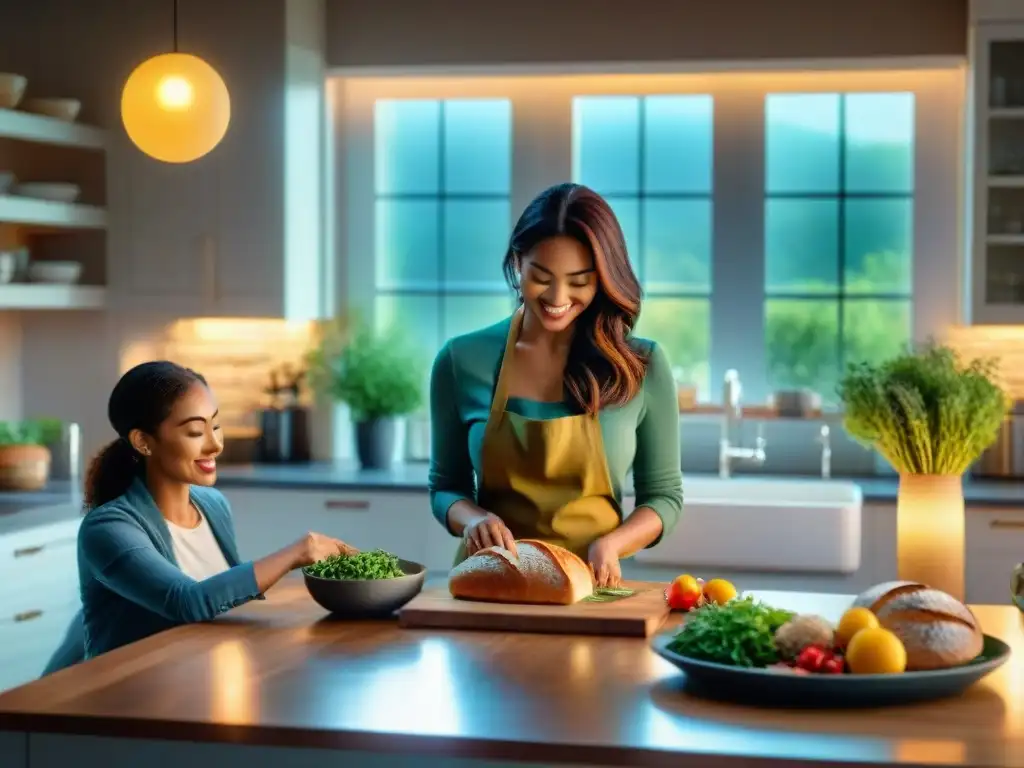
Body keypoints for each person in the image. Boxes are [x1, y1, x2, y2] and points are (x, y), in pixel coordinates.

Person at [428, 182, 683, 587]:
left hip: (592, 587)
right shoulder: (461, 360)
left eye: (579, 281)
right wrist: (474, 518)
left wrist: (612, 545)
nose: (558, 296)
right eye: (541, 277)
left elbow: (664, 496)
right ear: (518, 262)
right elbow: (445, 488)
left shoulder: (641, 365)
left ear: (603, 278)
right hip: (490, 585)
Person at [45, 361, 354, 672]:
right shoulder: (108, 528)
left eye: (215, 426)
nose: (215, 444)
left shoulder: (213, 504)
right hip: (131, 697)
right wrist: (297, 553)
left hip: (205, 681)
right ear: (143, 441)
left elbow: (225, 601)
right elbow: (187, 602)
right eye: (195, 431)